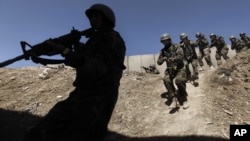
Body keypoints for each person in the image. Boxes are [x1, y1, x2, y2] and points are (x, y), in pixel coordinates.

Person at [23, 3, 126, 141]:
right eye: (91, 17)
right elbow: (81, 54)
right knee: (40, 132)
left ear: (106, 19)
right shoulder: (94, 40)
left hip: (100, 97)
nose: (92, 20)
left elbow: (96, 67)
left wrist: (65, 51)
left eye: (97, 16)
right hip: (82, 93)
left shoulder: (112, 38)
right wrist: (43, 52)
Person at [157, 33, 189, 109]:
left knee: (179, 80)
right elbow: (159, 62)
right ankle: (174, 99)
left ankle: (184, 99)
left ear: (169, 40)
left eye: (166, 40)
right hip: (170, 70)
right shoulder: (163, 51)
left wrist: (173, 59)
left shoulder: (176, 46)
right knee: (166, 80)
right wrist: (163, 59)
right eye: (163, 41)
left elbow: (181, 57)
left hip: (180, 68)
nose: (165, 42)